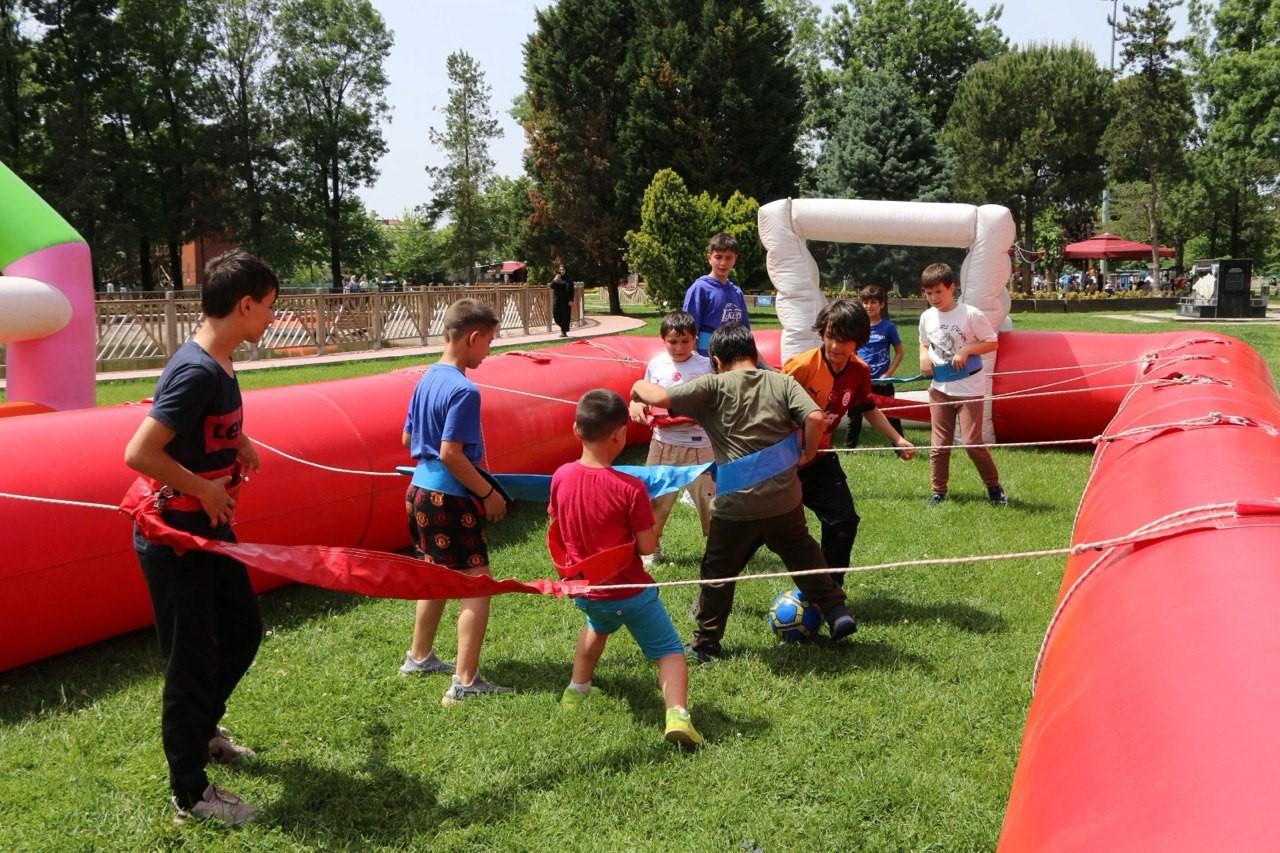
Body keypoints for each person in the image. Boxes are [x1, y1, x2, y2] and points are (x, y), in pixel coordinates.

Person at [123, 250, 278, 827]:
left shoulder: (219, 360)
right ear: (243, 306)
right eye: (267, 307)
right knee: (187, 661)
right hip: (176, 533)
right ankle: (189, 793)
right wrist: (206, 490)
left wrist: (237, 442)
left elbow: (203, 426)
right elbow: (139, 452)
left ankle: (203, 729)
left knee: (240, 629)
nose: (269, 318)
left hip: (207, 526)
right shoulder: (196, 370)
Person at [630, 323, 856, 665]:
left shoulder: (712, 385)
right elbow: (813, 417)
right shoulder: (782, 381)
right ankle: (836, 610)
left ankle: (706, 645)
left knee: (718, 571)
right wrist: (807, 453)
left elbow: (658, 397)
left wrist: (635, 388)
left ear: (716, 360)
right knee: (801, 549)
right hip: (785, 498)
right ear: (754, 354)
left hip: (736, 505)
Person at [549, 389, 702, 748]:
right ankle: (677, 714)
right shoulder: (631, 488)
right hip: (631, 592)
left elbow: (557, 525)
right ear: (619, 435)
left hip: (587, 591)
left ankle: (576, 690)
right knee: (668, 650)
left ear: (576, 429)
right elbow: (648, 546)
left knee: (595, 627)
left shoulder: (560, 477)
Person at [399, 298, 514, 705]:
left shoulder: (426, 377)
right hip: (449, 496)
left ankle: (419, 656)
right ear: (473, 337)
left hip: (418, 493)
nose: (490, 350)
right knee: (477, 581)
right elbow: (451, 453)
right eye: (490, 342)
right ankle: (465, 682)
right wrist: (487, 493)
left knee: (436, 575)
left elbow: (407, 441)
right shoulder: (465, 389)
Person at [784, 299, 914, 583]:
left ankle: (831, 592)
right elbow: (770, 413)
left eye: (844, 340)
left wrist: (897, 439)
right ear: (821, 333)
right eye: (830, 336)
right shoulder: (801, 366)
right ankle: (715, 587)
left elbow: (867, 408)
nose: (835, 346)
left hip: (819, 459)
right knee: (760, 529)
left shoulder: (859, 371)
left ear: (859, 340)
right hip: (783, 461)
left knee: (843, 521)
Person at [628, 310, 715, 566]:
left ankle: (718, 554)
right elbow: (641, 396)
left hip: (702, 448)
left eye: (685, 341)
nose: (679, 347)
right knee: (655, 502)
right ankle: (651, 550)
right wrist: (636, 406)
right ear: (663, 340)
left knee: (712, 504)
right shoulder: (656, 365)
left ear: (695, 339)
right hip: (664, 446)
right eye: (673, 341)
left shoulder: (707, 365)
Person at [917, 263, 1006, 507]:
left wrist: (966, 349)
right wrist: (924, 356)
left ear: (952, 288)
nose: (933, 298)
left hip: (969, 388)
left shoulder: (970, 314)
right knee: (938, 445)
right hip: (939, 390)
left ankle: (994, 487)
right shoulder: (926, 317)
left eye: (938, 292)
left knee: (971, 442)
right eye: (928, 293)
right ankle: (938, 492)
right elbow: (924, 343)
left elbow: (992, 343)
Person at [845, 285, 904, 449]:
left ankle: (901, 449)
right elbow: (851, 353)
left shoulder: (888, 327)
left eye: (873, 302)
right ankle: (848, 451)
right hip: (861, 383)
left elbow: (899, 352)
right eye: (865, 302)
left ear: (881, 304)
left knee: (892, 416)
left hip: (883, 383)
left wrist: (889, 373)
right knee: (854, 418)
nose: (869, 306)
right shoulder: (857, 328)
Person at [682, 232, 750, 355]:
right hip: (707, 356)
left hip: (734, 356)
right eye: (718, 257)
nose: (723, 263)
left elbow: (745, 333)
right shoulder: (699, 288)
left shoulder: (736, 292)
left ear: (735, 259)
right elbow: (688, 332)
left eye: (728, 257)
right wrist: (696, 363)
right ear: (709, 258)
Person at [550, 262, 573, 337]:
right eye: (560, 270)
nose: (561, 271)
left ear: (565, 270)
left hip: (566, 302)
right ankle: (563, 328)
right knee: (556, 315)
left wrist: (571, 300)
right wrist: (554, 279)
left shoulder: (569, 280)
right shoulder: (557, 279)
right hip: (557, 301)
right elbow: (551, 286)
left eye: (563, 269)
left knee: (565, 316)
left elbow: (572, 291)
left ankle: (563, 331)